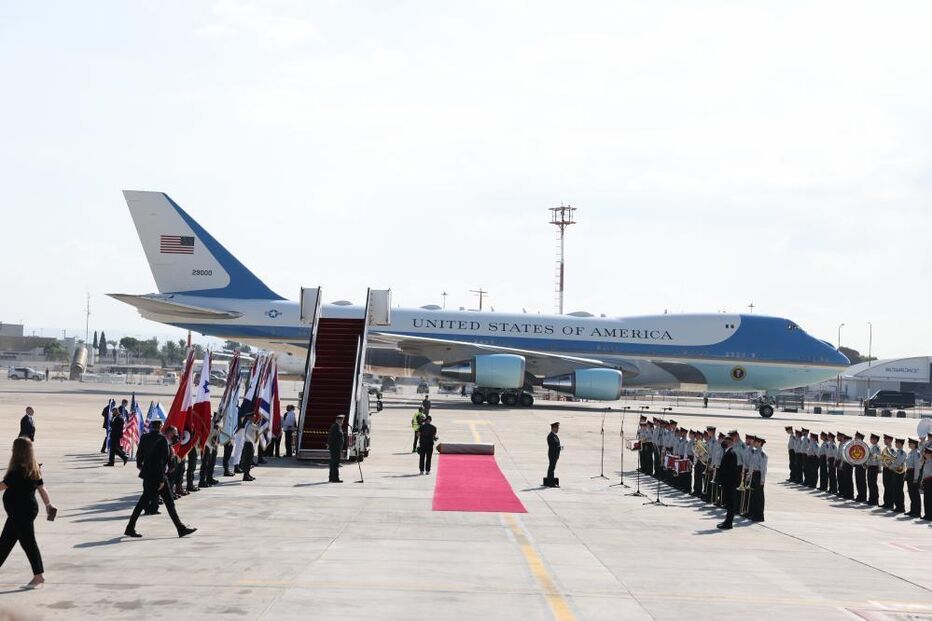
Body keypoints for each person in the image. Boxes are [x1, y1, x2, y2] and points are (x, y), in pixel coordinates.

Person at [0, 438, 55, 589]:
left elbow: (2, 486)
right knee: (5, 542)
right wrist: (48, 504)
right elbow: (42, 488)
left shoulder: (18, 470)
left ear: (17, 451)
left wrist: (49, 505)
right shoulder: (33, 468)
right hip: (23, 511)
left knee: (28, 543)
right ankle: (38, 576)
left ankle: (39, 576)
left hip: (20, 512)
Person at [125, 425, 196, 539]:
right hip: (156, 478)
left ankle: (180, 528)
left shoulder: (164, 442)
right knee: (155, 503)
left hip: (154, 477)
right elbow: (158, 463)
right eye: (175, 433)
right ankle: (180, 528)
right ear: (170, 433)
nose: (176, 436)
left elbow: (163, 461)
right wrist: (161, 480)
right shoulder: (162, 442)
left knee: (161, 503)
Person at [136, 420, 163, 515]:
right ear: (160, 426)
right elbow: (165, 456)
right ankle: (154, 508)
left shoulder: (145, 437)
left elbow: (140, 452)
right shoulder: (161, 438)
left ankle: (147, 508)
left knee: (147, 489)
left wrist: (139, 464)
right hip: (157, 468)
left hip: (146, 467)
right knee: (156, 489)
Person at [716, 433, 739, 530]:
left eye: (725, 442)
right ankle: (727, 521)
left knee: (730, 504)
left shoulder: (731, 453)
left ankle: (728, 523)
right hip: (727, 482)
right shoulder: (728, 452)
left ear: (729, 443)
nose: (723, 443)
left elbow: (729, 470)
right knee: (728, 504)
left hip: (729, 483)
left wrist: (723, 479)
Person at [748, 436, 767, 522]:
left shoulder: (763, 454)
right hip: (754, 474)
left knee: (759, 496)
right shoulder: (755, 452)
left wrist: (762, 479)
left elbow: (763, 468)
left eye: (755, 442)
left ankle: (759, 515)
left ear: (760, 443)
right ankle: (754, 513)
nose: (754, 443)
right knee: (753, 495)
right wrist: (750, 474)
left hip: (759, 475)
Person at [905, 438, 922, 517]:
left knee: (915, 494)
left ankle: (917, 512)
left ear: (915, 444)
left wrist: (916, 478)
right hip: (909, 473)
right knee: (911, 493)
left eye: (911, 443)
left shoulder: (917, 453)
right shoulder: (911, 453)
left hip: (914, 474)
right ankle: (912, 510)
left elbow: (917, 467)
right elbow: (908, 465)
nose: (909, 444)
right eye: (909, 443)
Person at [240, 414, 259, 482]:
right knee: (248, 461)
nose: (254, 418)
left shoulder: (248, 424)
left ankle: (247, 474)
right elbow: (258, 428)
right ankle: (245, 476)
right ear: (249, 417)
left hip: (248, 444)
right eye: (253, 417)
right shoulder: (250, 425)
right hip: (249, 444)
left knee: (249, 460)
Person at [328, 414, 345, 483]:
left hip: (336, 447)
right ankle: (335, 478)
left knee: (333, 463)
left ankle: (331, 478)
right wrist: (330, 445)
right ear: (338, 420)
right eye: (341, 420)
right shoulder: (335, 427)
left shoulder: (337, 426)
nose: (342, 421)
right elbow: (332, 437)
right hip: (335, 448)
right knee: (335, 463)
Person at [545, 422, 561, 488]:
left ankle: (549, 481)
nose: (558, 429)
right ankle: (551, 483)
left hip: (554, 455)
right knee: (551, 468)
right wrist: (559, 447)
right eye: (557, 428)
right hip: (552, 454)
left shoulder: (554, 435)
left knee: (551, 468)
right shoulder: (551, 436)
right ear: (554, 428)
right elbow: (553, 446)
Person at [866, 433, 881, 506]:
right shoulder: (871, 447)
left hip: (874, 467)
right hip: (870, 466)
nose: (870, 440)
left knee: (873, 484)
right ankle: (871, 498)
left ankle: (875, 500)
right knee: (870, 483)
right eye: (870, 438)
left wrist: (879, 468)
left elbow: (878, 458)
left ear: (876, 440)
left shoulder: (877, 448)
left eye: (872, 438)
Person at [853, 431, 867, 502]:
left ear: (859, 438)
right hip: (857, 465)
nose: (855, 438)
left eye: (856, 437)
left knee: (862, 481)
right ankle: (860, 495)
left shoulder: (863, 446)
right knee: (858, 481)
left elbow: (865, 456)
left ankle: (863, 496)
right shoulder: (856, 445)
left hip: (862, 466)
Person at [922, 446, 932, 521]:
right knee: (926, 499)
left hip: (930, 481)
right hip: (926, 481)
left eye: (927, 453)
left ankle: (930, 515)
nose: (925, 454)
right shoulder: (926, 462)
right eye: (925, 453)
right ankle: (927, 514)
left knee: (929, 499)